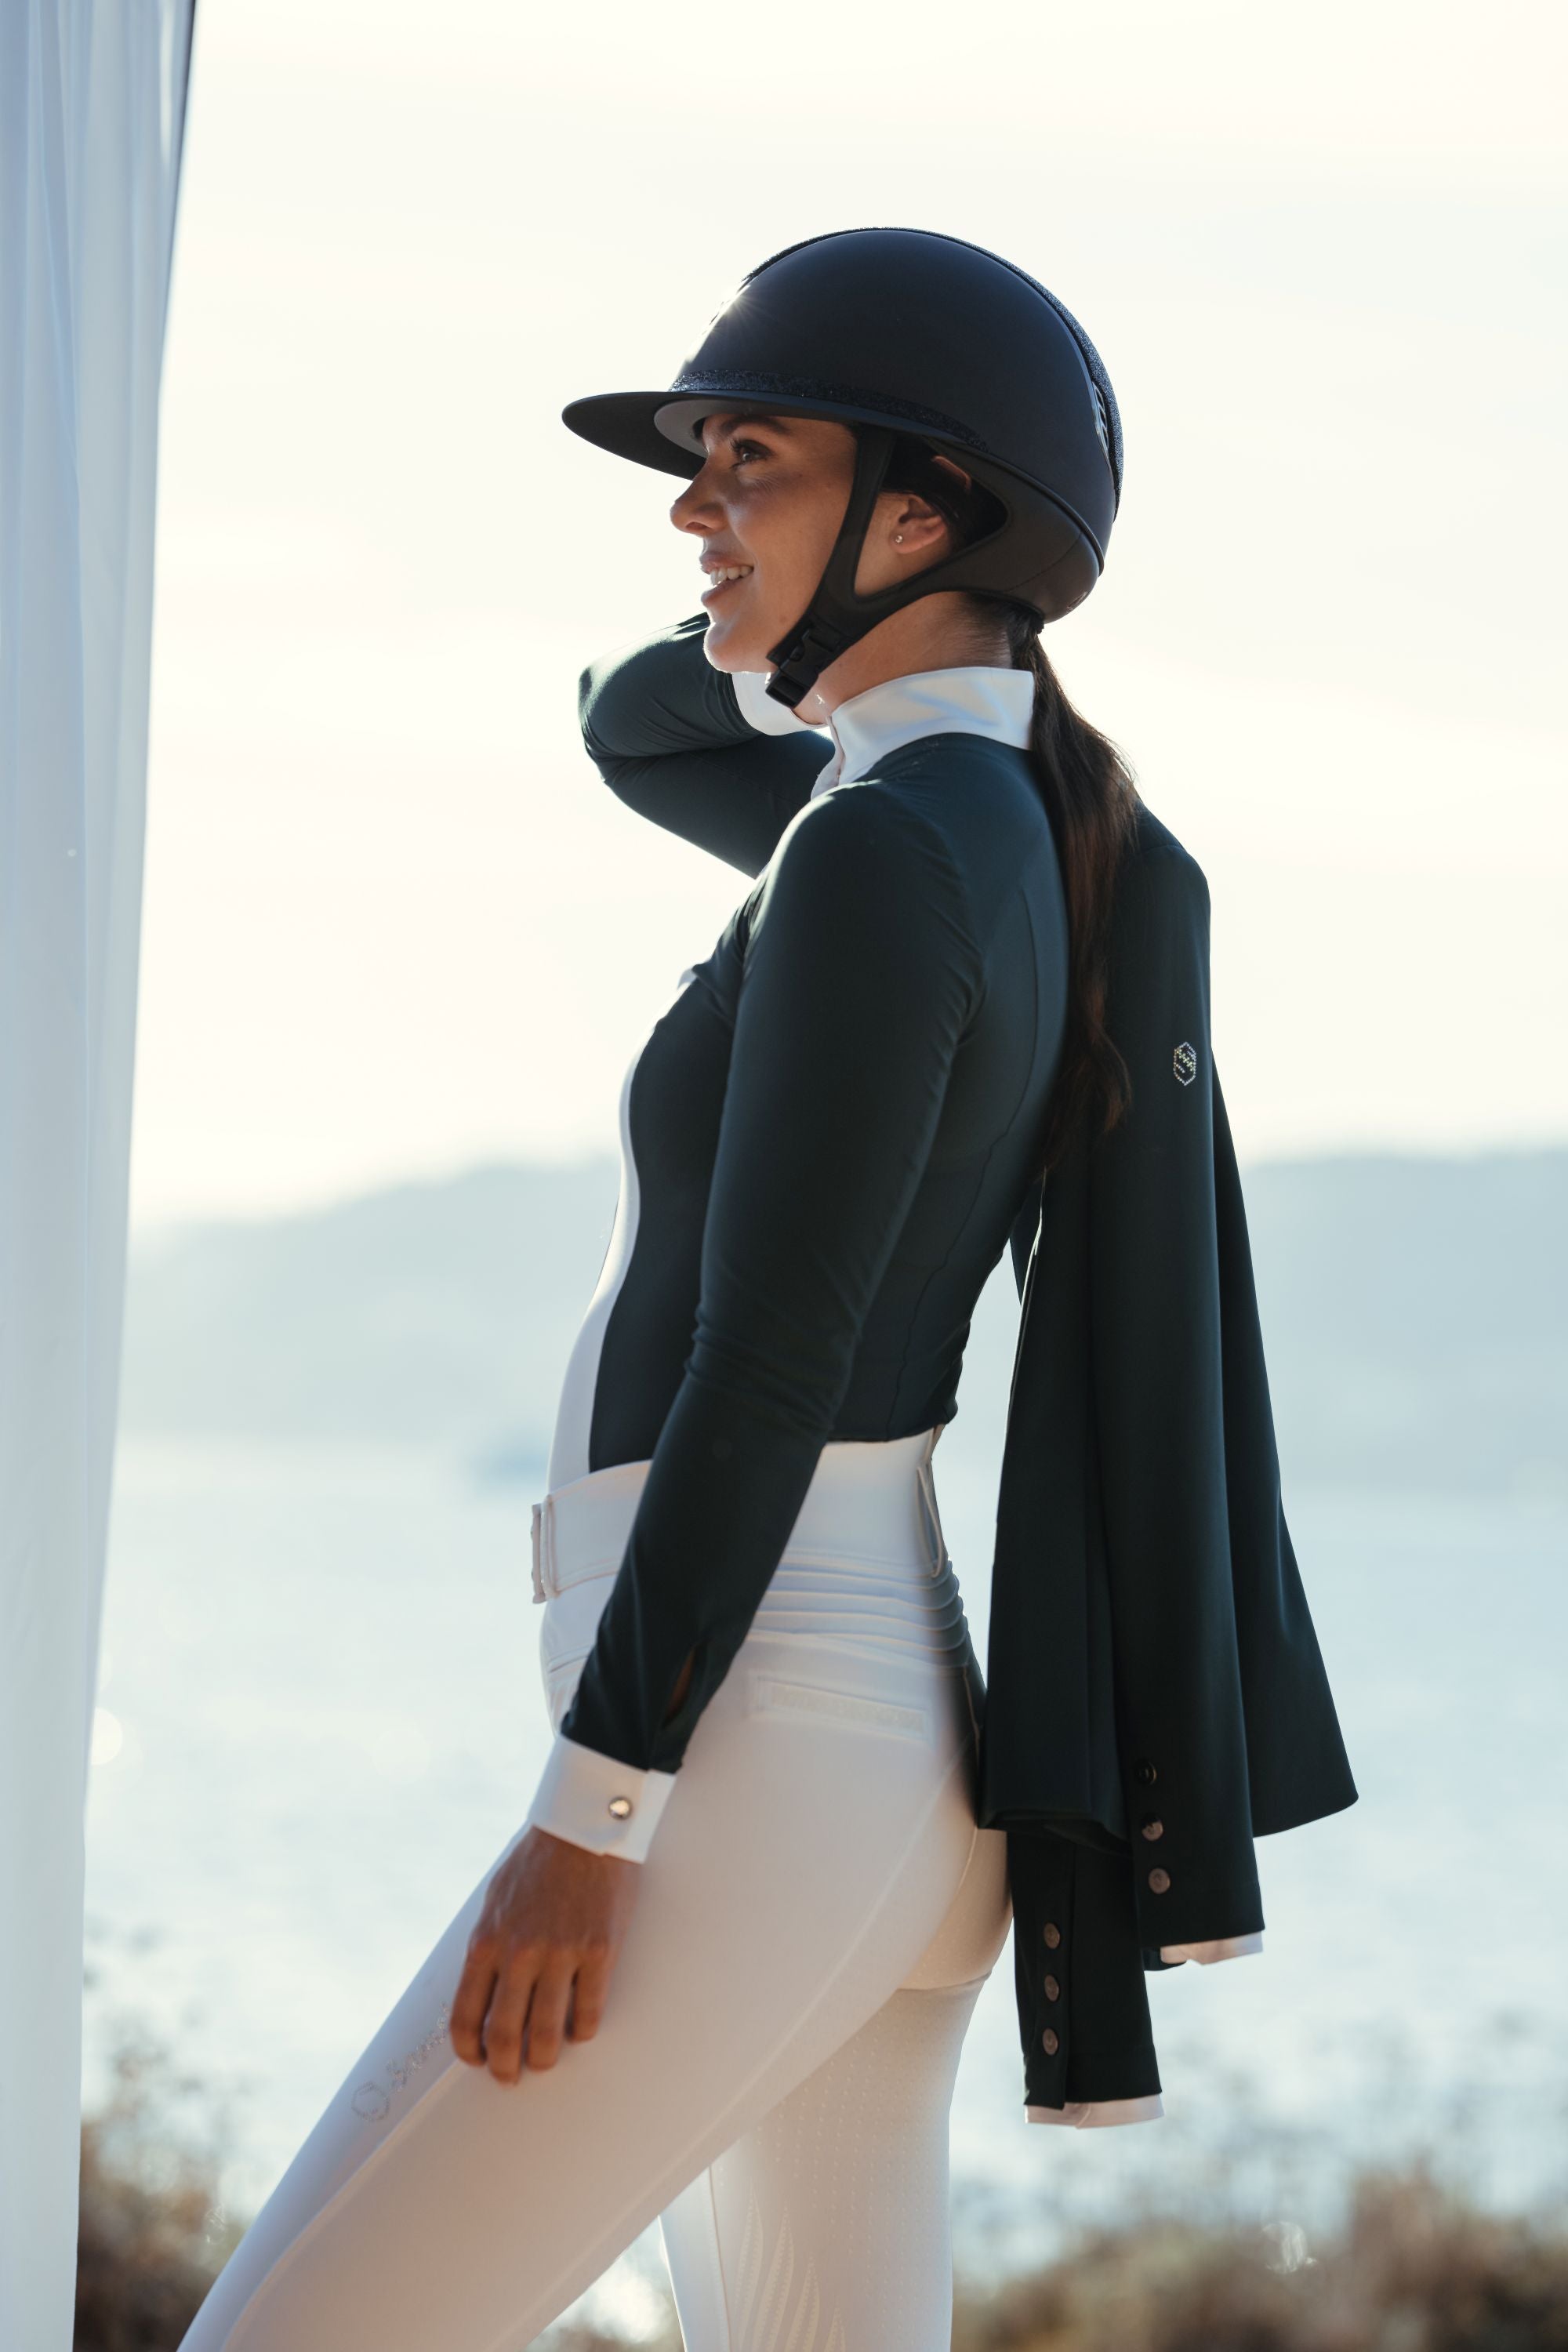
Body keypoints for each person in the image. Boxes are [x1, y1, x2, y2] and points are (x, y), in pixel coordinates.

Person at [179, 229, 1343, 2352]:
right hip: (845, 1745)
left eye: (754, 461)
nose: (691, 510)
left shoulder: (892, 849)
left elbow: (774, 1360)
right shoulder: (965, 818)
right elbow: (633, 723)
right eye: (697, 463)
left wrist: (593, 1812)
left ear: (922, 512)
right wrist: (791, 604)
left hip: (755, 1752)